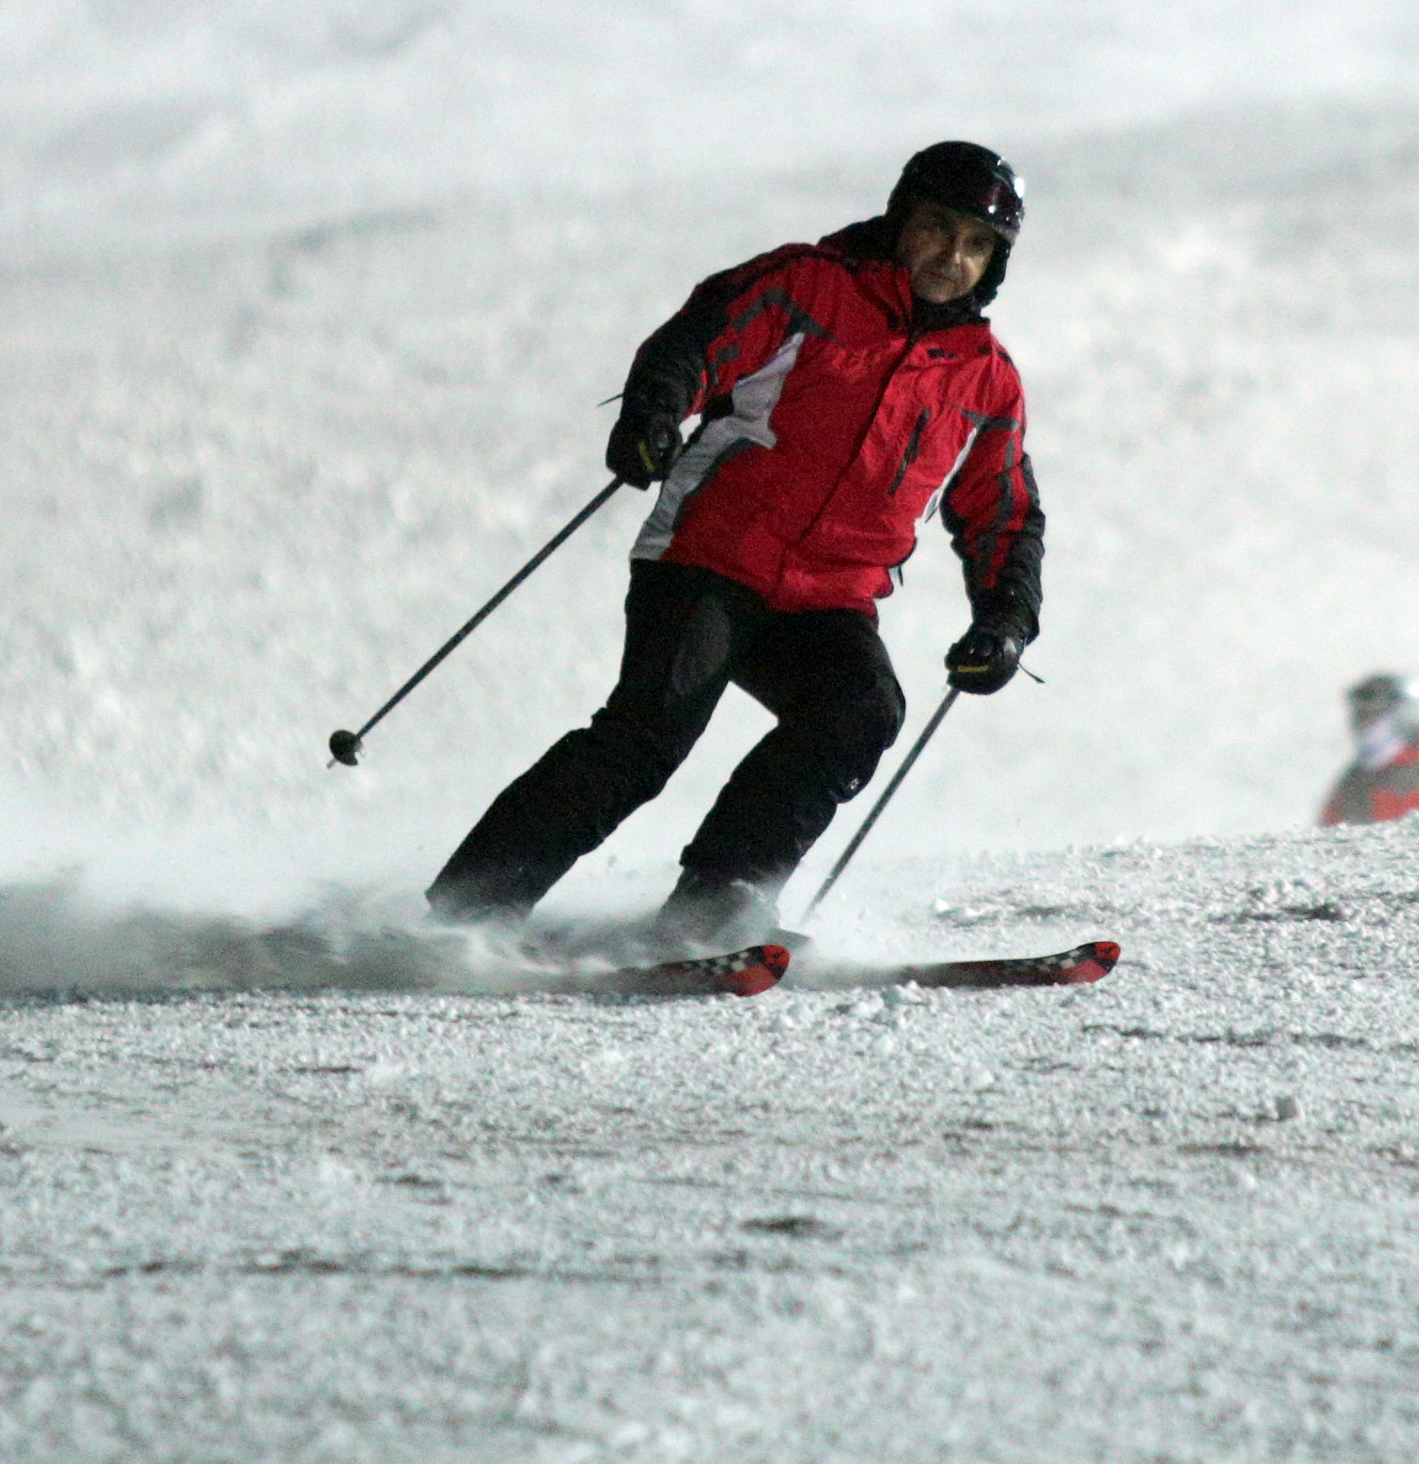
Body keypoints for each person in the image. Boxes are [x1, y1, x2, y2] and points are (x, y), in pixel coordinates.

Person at [427, 142, 1046, 953]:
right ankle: (469, 910)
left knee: (858, 710)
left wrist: (1005, 620)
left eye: (976, 244)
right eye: (936, 228)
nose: (951, 256)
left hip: (828, 597)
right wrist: (654, 412)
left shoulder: (984, 379)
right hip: (709, 558)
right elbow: (699, 341)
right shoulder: (808, 286)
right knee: (648, 735)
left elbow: (1001, 510)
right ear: (901, 219)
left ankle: (716, 906)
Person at [1319, 672, 1419, 825]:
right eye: (1360, 716)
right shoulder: (1355, 780)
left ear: (1399, 718)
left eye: (1372, 716)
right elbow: (1327, 837)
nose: (1363, 725)